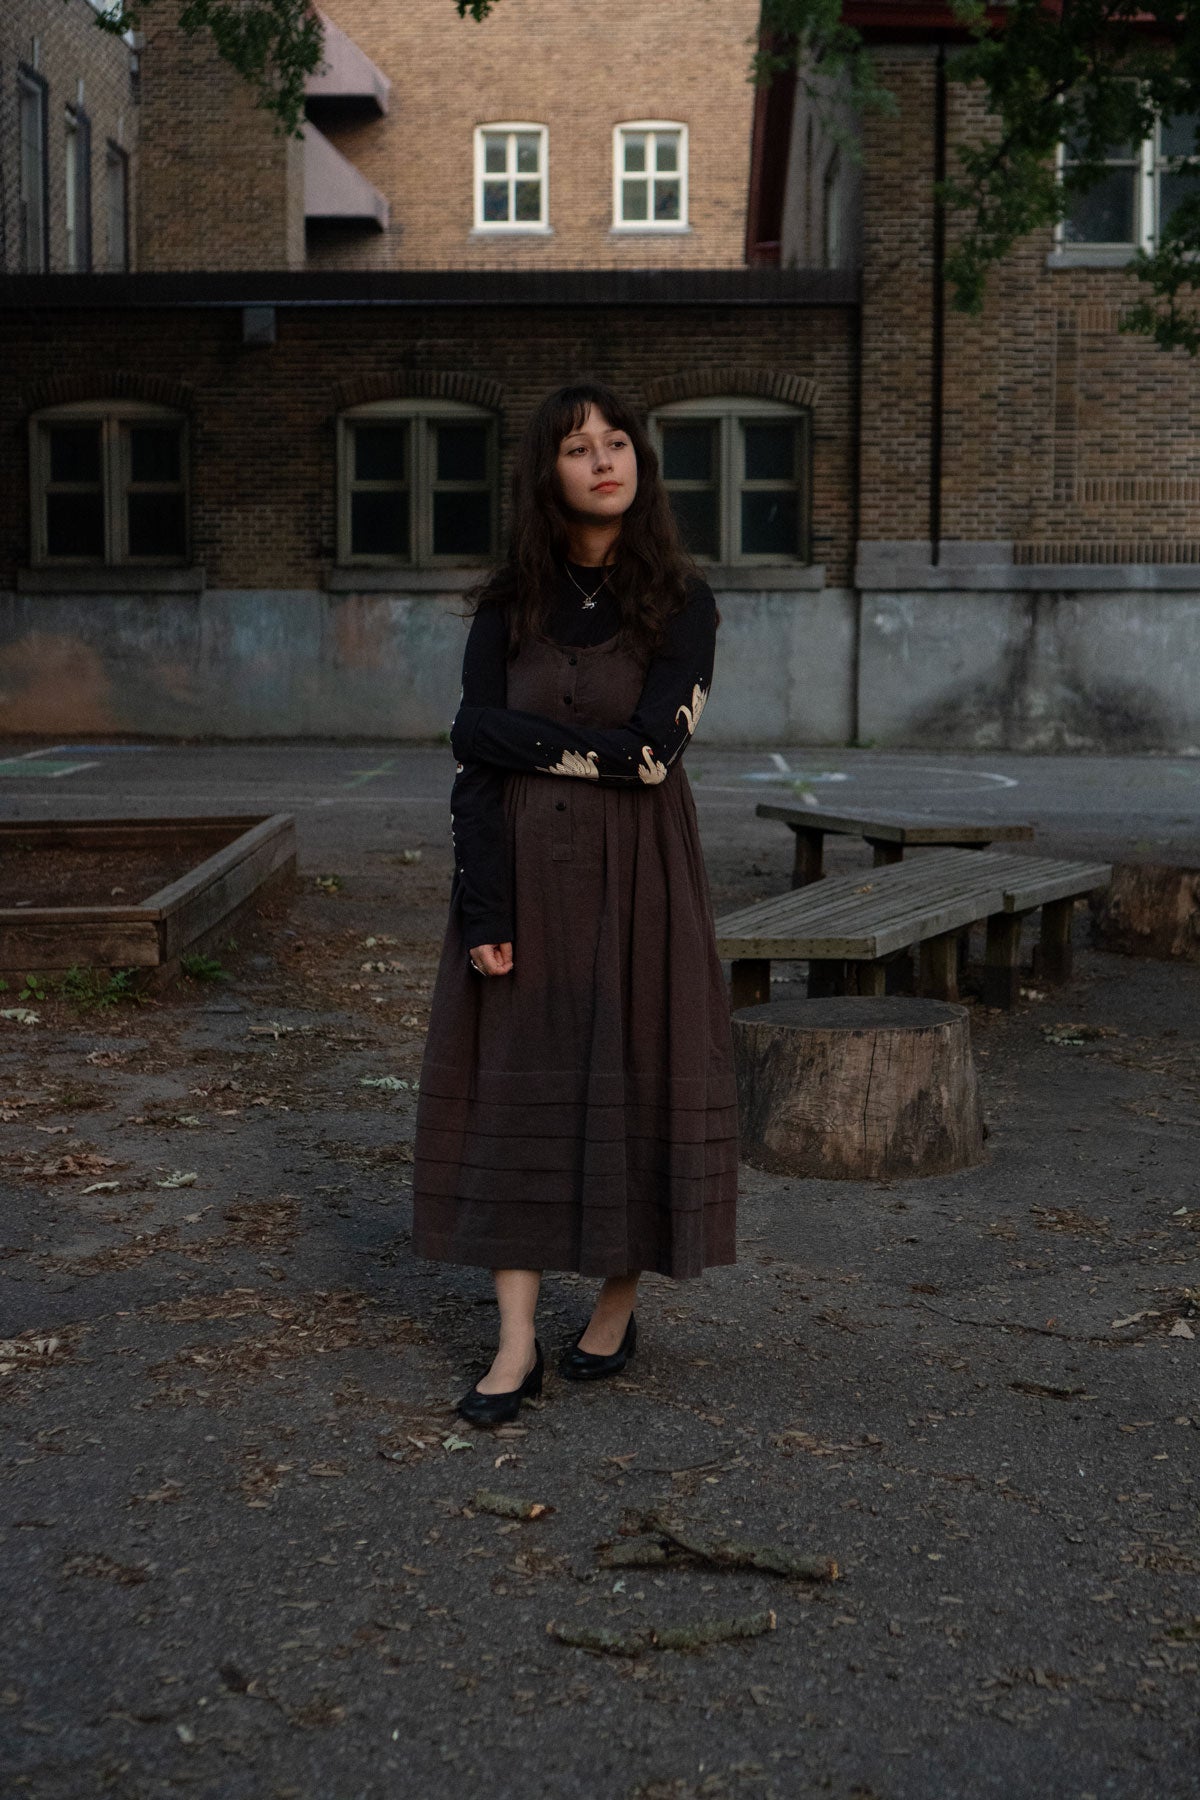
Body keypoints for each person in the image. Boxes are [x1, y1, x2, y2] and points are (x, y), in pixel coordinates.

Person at [411, 381, 738, 1426]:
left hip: (642, 882)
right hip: (520, 881)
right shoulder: (510, 603)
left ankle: (617, 1295)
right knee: (514, 1094)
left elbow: (649, 756)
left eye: (618, 442)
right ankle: (513, 1346)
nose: (605, 460)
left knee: (632, 1077)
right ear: (545, 473)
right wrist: (486, 912)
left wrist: (499, 736)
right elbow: (472, 774)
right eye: (577, 448)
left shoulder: (683, 604)